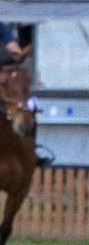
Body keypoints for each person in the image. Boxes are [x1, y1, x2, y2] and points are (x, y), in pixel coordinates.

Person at [0, 21, 53, 168]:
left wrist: (18, 55)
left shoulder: (1, 27)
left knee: (31, 104)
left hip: (3, 79)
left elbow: (13, 48)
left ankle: (32, 150)